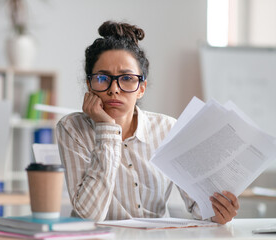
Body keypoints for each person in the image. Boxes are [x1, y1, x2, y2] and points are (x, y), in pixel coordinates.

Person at [56, 21, 239, 224]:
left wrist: (218, 211)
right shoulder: (72, 128)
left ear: (141, 88)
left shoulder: (168, 129)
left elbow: (199, 206)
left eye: (126, 78)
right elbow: (88, 217)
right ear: (89, 85)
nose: (114, 89)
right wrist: (106, 129)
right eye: (102, 78)